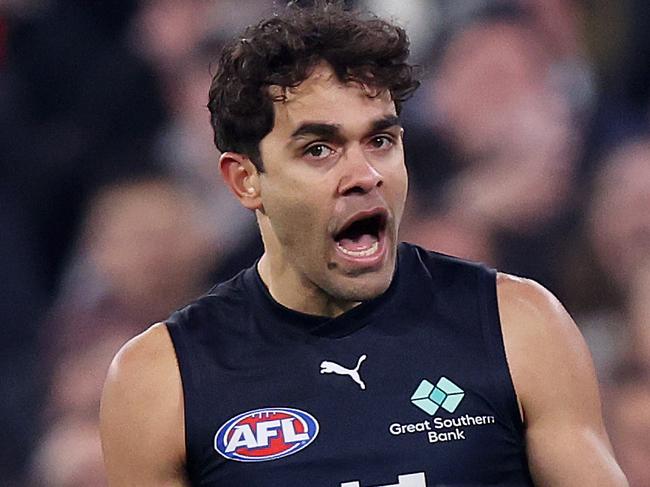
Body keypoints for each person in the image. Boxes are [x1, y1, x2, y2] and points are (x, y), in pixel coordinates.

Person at [100, 2, 627, 486]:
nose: (364, 174)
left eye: (380, 141)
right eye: (320, 149)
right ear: (245, 181)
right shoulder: (161, 381)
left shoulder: (519, 325)